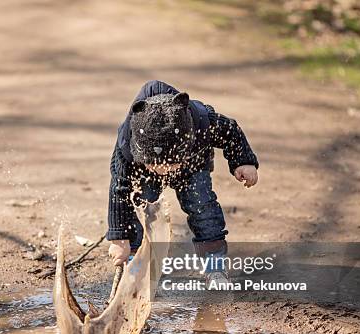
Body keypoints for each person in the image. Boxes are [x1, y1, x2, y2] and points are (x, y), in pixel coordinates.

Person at [107, 80, 259, 284]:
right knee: (138, 203)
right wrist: (119, 237)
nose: (165, 169)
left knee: (202, 207)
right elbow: (119, 190)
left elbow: (230, 131)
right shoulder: (128, 144)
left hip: (192, 165)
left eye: (171, 163)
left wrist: (244, 161)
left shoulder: (203, 121)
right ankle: (137, 259)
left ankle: (214, 264)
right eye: (157, 164)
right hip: (144, 173)